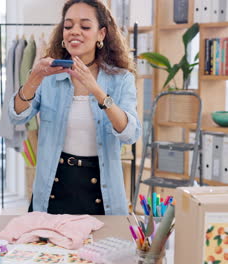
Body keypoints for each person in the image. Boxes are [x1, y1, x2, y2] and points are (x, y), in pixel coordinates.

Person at [9, 0, 141, 215]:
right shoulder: (49, 77)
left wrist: (96, 90)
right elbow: (16, 117)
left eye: (85, 26)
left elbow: (130, 134)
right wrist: (33, 78)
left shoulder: (121, 79)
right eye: (68, 26)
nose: (74, 32)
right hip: (53, 187)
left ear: (101, 34)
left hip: (101, 191)